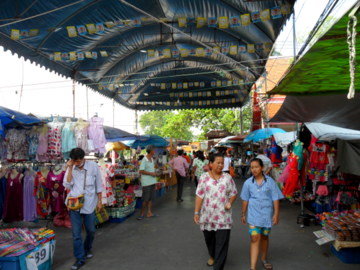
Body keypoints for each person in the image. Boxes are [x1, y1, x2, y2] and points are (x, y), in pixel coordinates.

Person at [194, 153, 238, 270]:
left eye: (222, 163)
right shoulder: (204, 177)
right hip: (207, 216)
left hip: (223, 217)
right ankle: (212, 255)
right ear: (211, 164)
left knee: (221, 244)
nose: (220, 165)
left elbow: (234, 193)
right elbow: (199, 195)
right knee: (209, 239)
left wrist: (230, 202)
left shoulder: (227, 178)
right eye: (218, 162)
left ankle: (218, 266)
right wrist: (196, 212)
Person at [240, 158, 284, 270]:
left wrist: (276, 214)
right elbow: (245, 199)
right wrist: (243, 214)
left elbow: (275, 199)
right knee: (254, 238)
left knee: (264, 237)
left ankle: (264, 259)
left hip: (266, 215)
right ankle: (253, 266)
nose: (254, 169)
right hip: (253, 215)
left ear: (262, 168)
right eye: (252, 167)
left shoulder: (270, 182)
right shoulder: (248, 183)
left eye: (256, 167)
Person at [64, 148, 103, 270]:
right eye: (74, 161)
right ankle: (80, 258)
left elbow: (99, 185)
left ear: (83, 158)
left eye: (78, 161)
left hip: (89, 203)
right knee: (76, 234)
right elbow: (67, 184)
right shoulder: (71, 167)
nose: (76, 163)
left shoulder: (93, 166)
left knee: (91, 230)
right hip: (74, 205)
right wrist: (70, 168)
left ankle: (87, 249)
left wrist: (100, 201)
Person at [137, 145, 158, 220]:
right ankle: (141, 214)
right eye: (154, 150)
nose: (155, 151)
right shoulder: (144, 160)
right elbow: (141, 171)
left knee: (150, 198)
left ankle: (149, 212)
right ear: (150, 151)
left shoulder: (151, 159)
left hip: (152, 181)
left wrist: (155, 172)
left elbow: (151, 169)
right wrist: (151, 173)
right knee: (145, 199)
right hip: (146, 182)